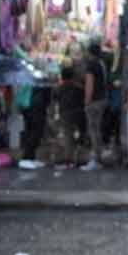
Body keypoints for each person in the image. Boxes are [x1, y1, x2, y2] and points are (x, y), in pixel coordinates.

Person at [82, 41, 108, 171]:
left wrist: (87, 101)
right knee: (97, 129)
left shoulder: (91, 65)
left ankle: (95, 159)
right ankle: (99, 158)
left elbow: (89, 85)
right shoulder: (101, 64)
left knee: (93, 130)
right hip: (102, 99)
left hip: (94, 101)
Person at [55, 66, 86, 167]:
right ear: (73, 76)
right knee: (82, 134)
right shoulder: (79, 87)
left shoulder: (59, 88)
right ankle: (79, 156)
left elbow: (56, 99)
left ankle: (68, 158)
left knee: (68, 136)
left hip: (65, 113)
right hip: (78, 113)